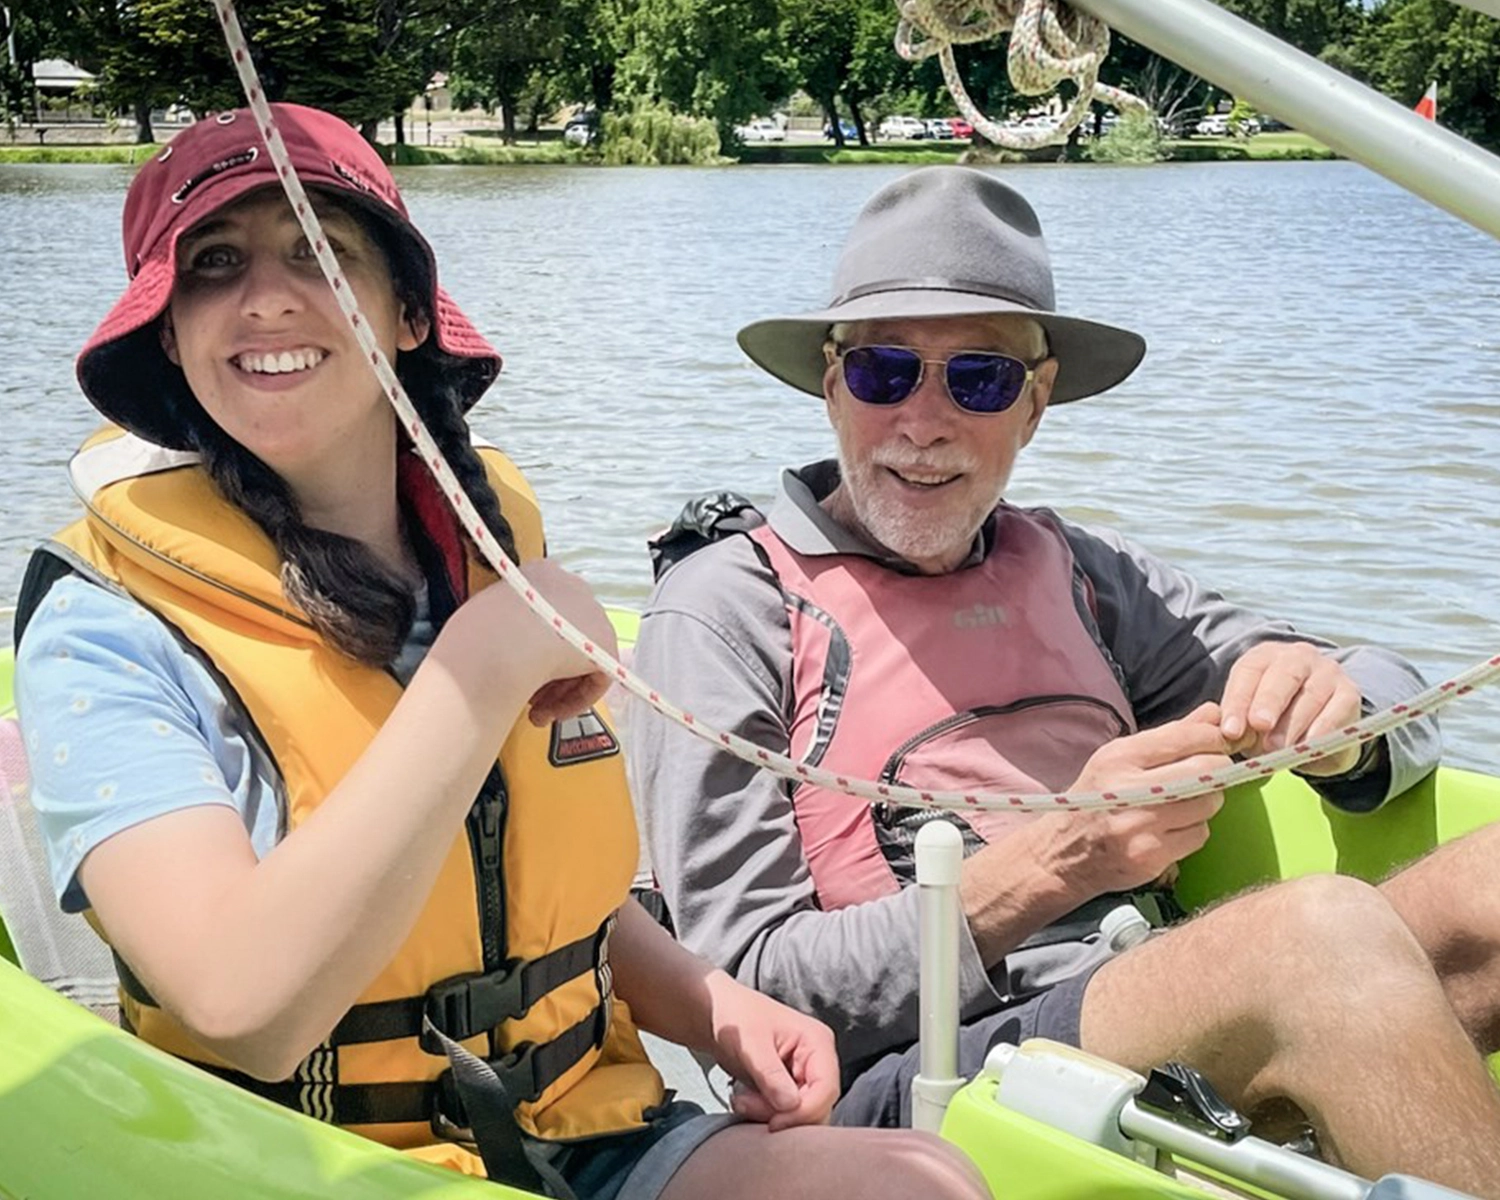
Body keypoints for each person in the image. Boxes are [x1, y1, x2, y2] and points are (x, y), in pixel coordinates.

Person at [11, 106, 989, 1200]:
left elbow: (523, 886)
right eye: (214, 264)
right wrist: (479, 670)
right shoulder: (102, 624)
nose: (267, 298)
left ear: (408, 314)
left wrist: (711, 1004)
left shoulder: (486, 552)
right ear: (169, 334)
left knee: (926, 1181)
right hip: (299, 1162)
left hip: (582, 1132)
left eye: (319, 252)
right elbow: (243, 1010)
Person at [627, 166, 1500, 1195]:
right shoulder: (726, 608)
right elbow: (742, 991)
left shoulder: (1088, 575)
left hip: (1146, 997)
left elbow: (1389, 685)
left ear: (1036, 404)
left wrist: (1335, 718)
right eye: (884, 371)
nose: (924, 420)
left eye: (980, 380)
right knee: (1317, 937)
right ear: (831, 387)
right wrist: (1057, 861)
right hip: (906, 1084)